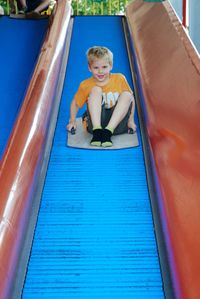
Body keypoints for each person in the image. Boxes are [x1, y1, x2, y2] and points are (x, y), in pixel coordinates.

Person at [67, 46, 136, 147]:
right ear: (89, 68)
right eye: (96, 67)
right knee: (96, 90)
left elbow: (131, 100)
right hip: (95, 125)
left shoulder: (119, 78)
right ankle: (97, 131)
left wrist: (131, 121)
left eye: (104, 67)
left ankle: (108, 132)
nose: (100, 71)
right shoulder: (86, 84)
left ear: (111, 66)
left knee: (127, 94)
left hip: (117, 125)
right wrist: (72, 121)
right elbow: (75, 103)